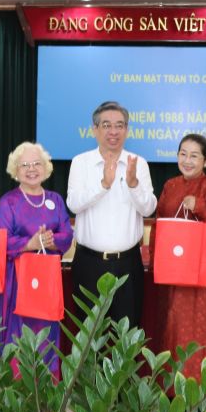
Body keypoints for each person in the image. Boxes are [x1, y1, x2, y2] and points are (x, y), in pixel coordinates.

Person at [67, 101, 156, 328]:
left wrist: (133, 183)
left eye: (119, 125)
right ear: (95, 129)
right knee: (87, 336)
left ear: (127, 130)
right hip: (89, 262)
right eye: (106, 125)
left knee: (126, 335)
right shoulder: (81, 162)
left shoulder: (138, 164)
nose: (113, 131)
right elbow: (73, 205)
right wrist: (103, 185)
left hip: (128, 264)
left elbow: (148, 209)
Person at [151, 133, 206, 381]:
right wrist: (155, 262)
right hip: (172, 271)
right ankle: (173, 390)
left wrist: (201, 208)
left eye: (194, 155)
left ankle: (204, 390)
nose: (187, 160)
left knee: (202, 330)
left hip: (202, 273)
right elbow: (158, 225)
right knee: (172, 327)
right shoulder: (170, 186)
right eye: (183, 153)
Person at [0, 141, 72, 377]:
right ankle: (17, 393)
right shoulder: (9, 202)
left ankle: (47, 392)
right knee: (18, 334)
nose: (31, 169)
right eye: (24, 164)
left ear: (46, 167)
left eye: (36, 163)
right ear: (15, 170)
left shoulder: (55, 199)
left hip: (47, 280)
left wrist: (51, 240)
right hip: (18, 281)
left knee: (47, 331)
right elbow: (0, 240)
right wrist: (29, 244)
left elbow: (67, 234)